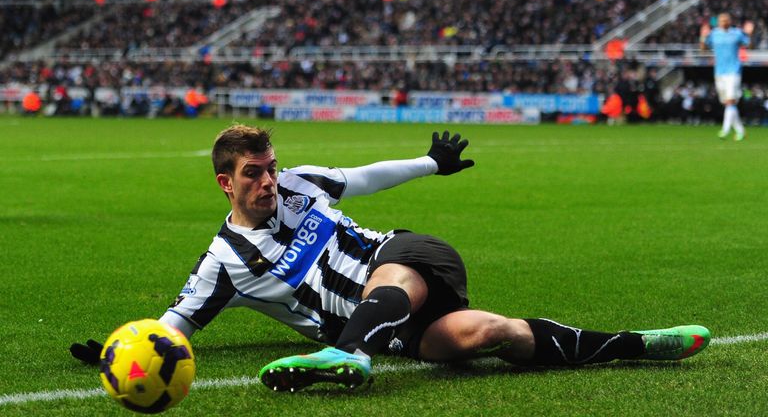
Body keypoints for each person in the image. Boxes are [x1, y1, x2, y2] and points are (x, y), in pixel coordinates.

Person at [71, 124, 711, 392]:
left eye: (270, 168)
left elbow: (367, 176)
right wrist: (117, 350)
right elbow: (174, 326)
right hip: (382, 322)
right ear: (225, 183)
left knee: (392, 272)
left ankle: (350, 355)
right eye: (253, 174)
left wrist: (433, 162)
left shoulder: (302, 182)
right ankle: (635, 344)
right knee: (486, 334)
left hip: (406, 256)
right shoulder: (223, 263)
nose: (269, 181)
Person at [700, 13, 754, 141]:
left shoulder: (737, 33)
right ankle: (741, 131)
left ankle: (725, 130)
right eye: (721, 20)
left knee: (730, 101)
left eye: (726, 20)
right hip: (719, 72)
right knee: (728, 103)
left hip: (733, 71)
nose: (724, 22)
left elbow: (750, 46)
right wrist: (702, 36)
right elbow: (703, 49)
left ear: (730, 21)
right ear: (718, 22)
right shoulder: (714, 34)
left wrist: (749, 34)